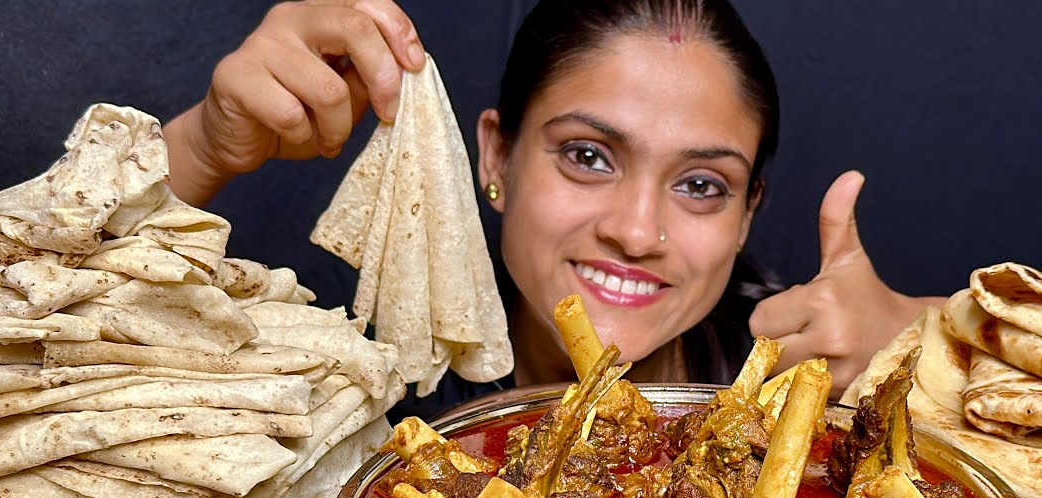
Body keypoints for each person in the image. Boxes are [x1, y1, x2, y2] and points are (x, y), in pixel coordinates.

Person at [163, 0, 937, 418]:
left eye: (701, 185)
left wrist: (935, 351)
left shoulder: (810, 380)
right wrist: (202, 151)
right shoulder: (357, 379)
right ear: (496, 157)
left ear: (746, 215)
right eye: (588, 156)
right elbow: (42, 342)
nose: (636, 231)